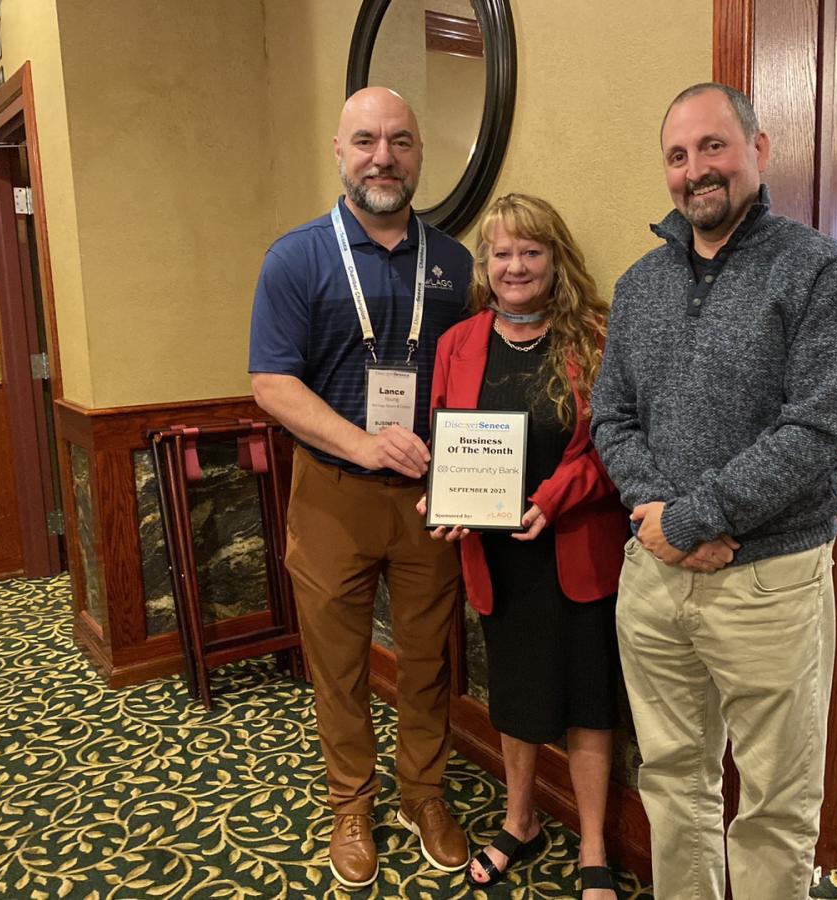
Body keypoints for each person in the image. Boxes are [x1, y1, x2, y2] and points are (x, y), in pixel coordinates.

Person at [590, 83, 837, 899]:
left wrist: (695, 517)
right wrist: (660, 520)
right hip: (652, 578)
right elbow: (612, 416)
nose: (695, 171)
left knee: (777, 807)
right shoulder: (641, 282)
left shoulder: (818, 269)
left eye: (713, 146)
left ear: (759, 149)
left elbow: (819, 430)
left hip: (769, 584)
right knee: (673, 786)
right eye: (678, 156)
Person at [248, 87, 473, 890]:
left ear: (418, 154)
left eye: (402, 142)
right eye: (368, 141)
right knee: (337, 663)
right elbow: (272, 383)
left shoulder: (454, 262)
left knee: (427, 659)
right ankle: (352, 803)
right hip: (333, 492)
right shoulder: (296, 257)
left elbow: (468, 378)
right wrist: (365, 445)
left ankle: (426, 796)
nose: (385, 157)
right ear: (339, 152)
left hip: (426, 500)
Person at [419, 194, 629, 898]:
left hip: (574, 549)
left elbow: (615, 449)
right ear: (485, 264)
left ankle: (595, 843)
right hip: (498, 560)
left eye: (530, 251)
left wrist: (551, 499)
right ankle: (520, 820)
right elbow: (449, 441)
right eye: (501, 253)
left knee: (587, 702)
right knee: (513, 698)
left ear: (554, 257)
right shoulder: (459, 343)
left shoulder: (594, 337)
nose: (515, 266)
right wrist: (441, 497)